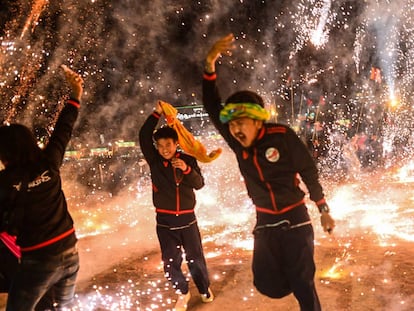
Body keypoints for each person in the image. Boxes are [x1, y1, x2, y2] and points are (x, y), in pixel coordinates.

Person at [202, 33, 336, 311]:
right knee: (265, 283)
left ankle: (302, 279)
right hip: (265, 222)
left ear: (256, 120)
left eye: (241, 123)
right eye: (232, 125)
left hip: (295, 219)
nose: (235, 130)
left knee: (302, 285)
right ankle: (295, 272)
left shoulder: (282, 136)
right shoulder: (238, 144)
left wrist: (323, 209)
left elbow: (309, 171)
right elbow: (213, 108)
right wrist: (209, 65)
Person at [0, 65, 83, 311]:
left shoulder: (5, 183)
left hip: (39, 262)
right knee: (61, 307)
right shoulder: (49, 163)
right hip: (70, 255)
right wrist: (75, 94)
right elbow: (62, 131)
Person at [139, 101, 214, 311]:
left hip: (188, 220)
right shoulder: (154, 161)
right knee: (170, 262)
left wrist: (186, 170)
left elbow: (199, 185)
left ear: (176, 144)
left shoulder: (188, 159)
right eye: (160, 146)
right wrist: (156, 114)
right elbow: (144, 136)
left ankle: (204, 288)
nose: (164, 150)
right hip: (165, 222)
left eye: (168, 145)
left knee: (195, 259)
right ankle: (182, 292)